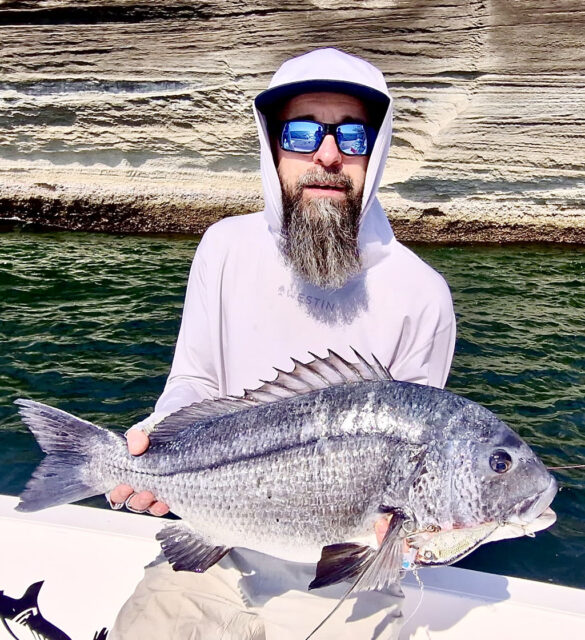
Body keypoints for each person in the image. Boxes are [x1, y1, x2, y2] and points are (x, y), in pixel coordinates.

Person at [108, 48, 456, 639]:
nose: (327, 155)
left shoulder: (423, 294)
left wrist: (431, 537)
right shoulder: (223, 247)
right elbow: (194, 381)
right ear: (272, 148)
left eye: (353, 136)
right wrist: (155, 440)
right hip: (213, 550)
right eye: (301, 134)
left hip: (349, 576)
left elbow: (420, 464)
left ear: (379, 150)